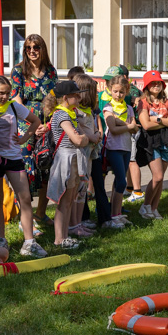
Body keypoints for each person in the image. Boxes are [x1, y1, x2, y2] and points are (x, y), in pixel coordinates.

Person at [0, 75, 47, 258]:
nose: (4, 97)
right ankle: (1, 239)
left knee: (25, 198)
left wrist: (23, 138)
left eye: (7, 93)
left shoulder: (13, 106)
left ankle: (29, 242)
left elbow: (35, 121)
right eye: (1, 93)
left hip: (13, 157)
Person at [11, 34, 58, 231]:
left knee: (46, 167)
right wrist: (32, 122)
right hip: (26, 122)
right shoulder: (18, 70)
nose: (32, 51)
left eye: (36, 47)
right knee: (25, 172)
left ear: (43, 49)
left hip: (46, 124)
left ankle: (40, 213)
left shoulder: (51, 71)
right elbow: (15, 99)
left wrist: (46, 124)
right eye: (28, 47)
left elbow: (56, 99)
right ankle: (25, 218)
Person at [46, 80, 89, 249]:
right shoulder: (62, 115)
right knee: (64, 201)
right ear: (66, 97)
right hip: (66, 159)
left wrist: (82, 138)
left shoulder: (71, 113)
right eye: (76, 95)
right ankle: (59, 239)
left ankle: (64, 237)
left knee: (70, 199)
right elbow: (78, 138)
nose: (79, 98)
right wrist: (84, 139)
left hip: (73, 158)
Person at [137, 70, 168, 220]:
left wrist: (158, 120)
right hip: (150, 141)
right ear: (147, 86)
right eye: (152, 83)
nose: (156, 85)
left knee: (160, 178)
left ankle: (154, 209)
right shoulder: (143, 103)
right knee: (158, 175)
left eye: (158, 83)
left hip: (166, 140)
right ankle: (146, 206)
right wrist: (165, 121)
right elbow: (146, 125)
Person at [102, 75, 138, 229]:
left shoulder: (129, 108)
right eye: (115, 91)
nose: (118, 95)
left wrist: (121, 122)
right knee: (122, 182)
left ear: (126, 91)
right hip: (114, 147)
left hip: (126, 147)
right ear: (110, 91)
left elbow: (135, 127)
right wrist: (127, 126)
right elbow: (114, 130)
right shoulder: (108, 108)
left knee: (119, 180)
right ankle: (114, 215)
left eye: (122, 92)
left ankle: (116, 213)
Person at [69, 73, 102, 236]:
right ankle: (73, 225)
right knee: (77, 190)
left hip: (88, 155)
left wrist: (96, 134)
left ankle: (79, 223)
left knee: (82, 191)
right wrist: (92, 136)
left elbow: (93, 127)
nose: (95, 95)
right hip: (79, 156)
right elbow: (78, 131)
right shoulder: (74, 112)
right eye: (93, 91)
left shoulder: (88, 110)